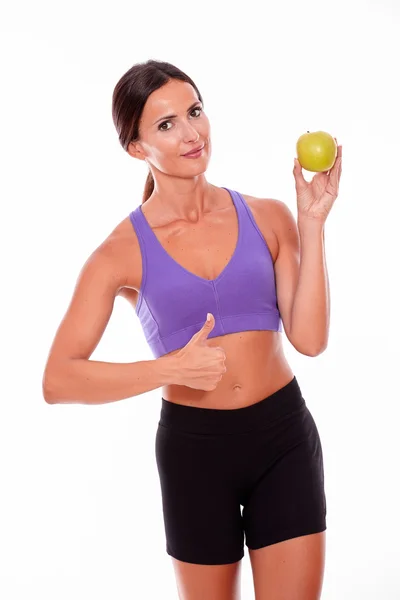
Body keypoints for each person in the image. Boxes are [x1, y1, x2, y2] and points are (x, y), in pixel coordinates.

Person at [42, 59, 342, 600]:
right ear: (136, 148)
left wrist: (313, 224)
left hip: (284, 438)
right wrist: (168, 368)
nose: (191, 133)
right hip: (195, 454)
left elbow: (311, 340)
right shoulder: (118, 253)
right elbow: (58, 380)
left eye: (195, 112)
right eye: (166, 124)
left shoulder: (269, 215)